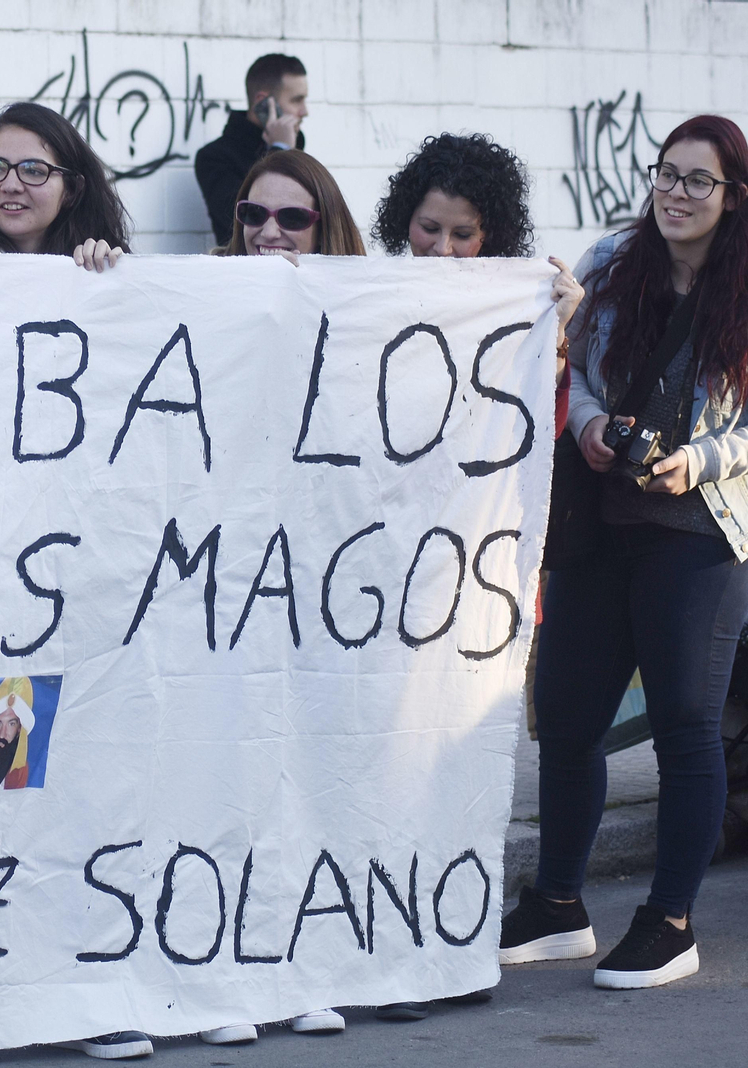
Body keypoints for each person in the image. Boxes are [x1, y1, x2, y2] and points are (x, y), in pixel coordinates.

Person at [500, 114, 748, 990]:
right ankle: (558, 904)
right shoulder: (612, 260)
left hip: (698, 533)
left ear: (733, 196)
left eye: (698, 181)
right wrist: (594, 421)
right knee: (567, 719)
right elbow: (572, 369)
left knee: (685, 728)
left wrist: (702, 459)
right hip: (599, 523)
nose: (676, 194)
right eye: (667, 174)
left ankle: (670, 922)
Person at [370, 132, 584, 1023]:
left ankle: (434, 949)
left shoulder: (521, 317)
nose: (445, 251)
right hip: (370, 589)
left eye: (464, 235)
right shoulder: (364, 303)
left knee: (447, 770)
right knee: (376, 771)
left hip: (470, 597)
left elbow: (548, 441)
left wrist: (558, 335)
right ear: (401, 224)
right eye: (428, 229)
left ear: (491, 238)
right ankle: (374, 944)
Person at [199, 146, 362, 1049]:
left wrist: (547, 311)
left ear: (325, 224)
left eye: (290, 219)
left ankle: (306, 964)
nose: (268, 232)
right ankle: (221, 973)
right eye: (253, 217)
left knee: (309, 775)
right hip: (213, 583)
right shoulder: (198, 298)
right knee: (222, 775)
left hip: (324, 585)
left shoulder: (370, 307)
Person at [0, 101, 130, 274]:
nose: (10, 185)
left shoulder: (97, 265)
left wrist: (112, 275)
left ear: (72, 189)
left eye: (33, 171)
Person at [194, 53, 309, 247]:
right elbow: (246, 219)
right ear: (262, 102)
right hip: (243, 270)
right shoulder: (214, 157)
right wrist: (280, 152)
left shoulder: (296, 143)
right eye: (296, 100)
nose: (304, 111)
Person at [217, 148, 364, 260]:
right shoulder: (211, 285)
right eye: (255, 213)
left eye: (291, 217)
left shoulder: (361, 294)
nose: (269, 233)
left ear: (323, 229)